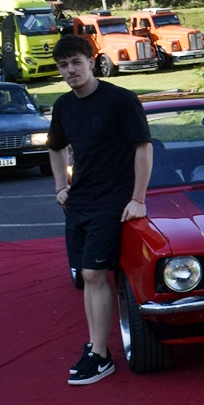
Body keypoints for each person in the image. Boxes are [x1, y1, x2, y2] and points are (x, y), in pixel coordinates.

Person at [46, 34, 153, 385]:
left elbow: (143, 147)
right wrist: (60, 187)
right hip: (80, 201)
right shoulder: (64, 106)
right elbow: (56, 147)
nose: (70, 70)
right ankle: (95, 348)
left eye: (76, 62)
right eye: (63, 65)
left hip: (113, 201)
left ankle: (101, 354)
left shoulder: (120, 100)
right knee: (87, 276)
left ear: (92, 62)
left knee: (94, 274)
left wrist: (138, 198)